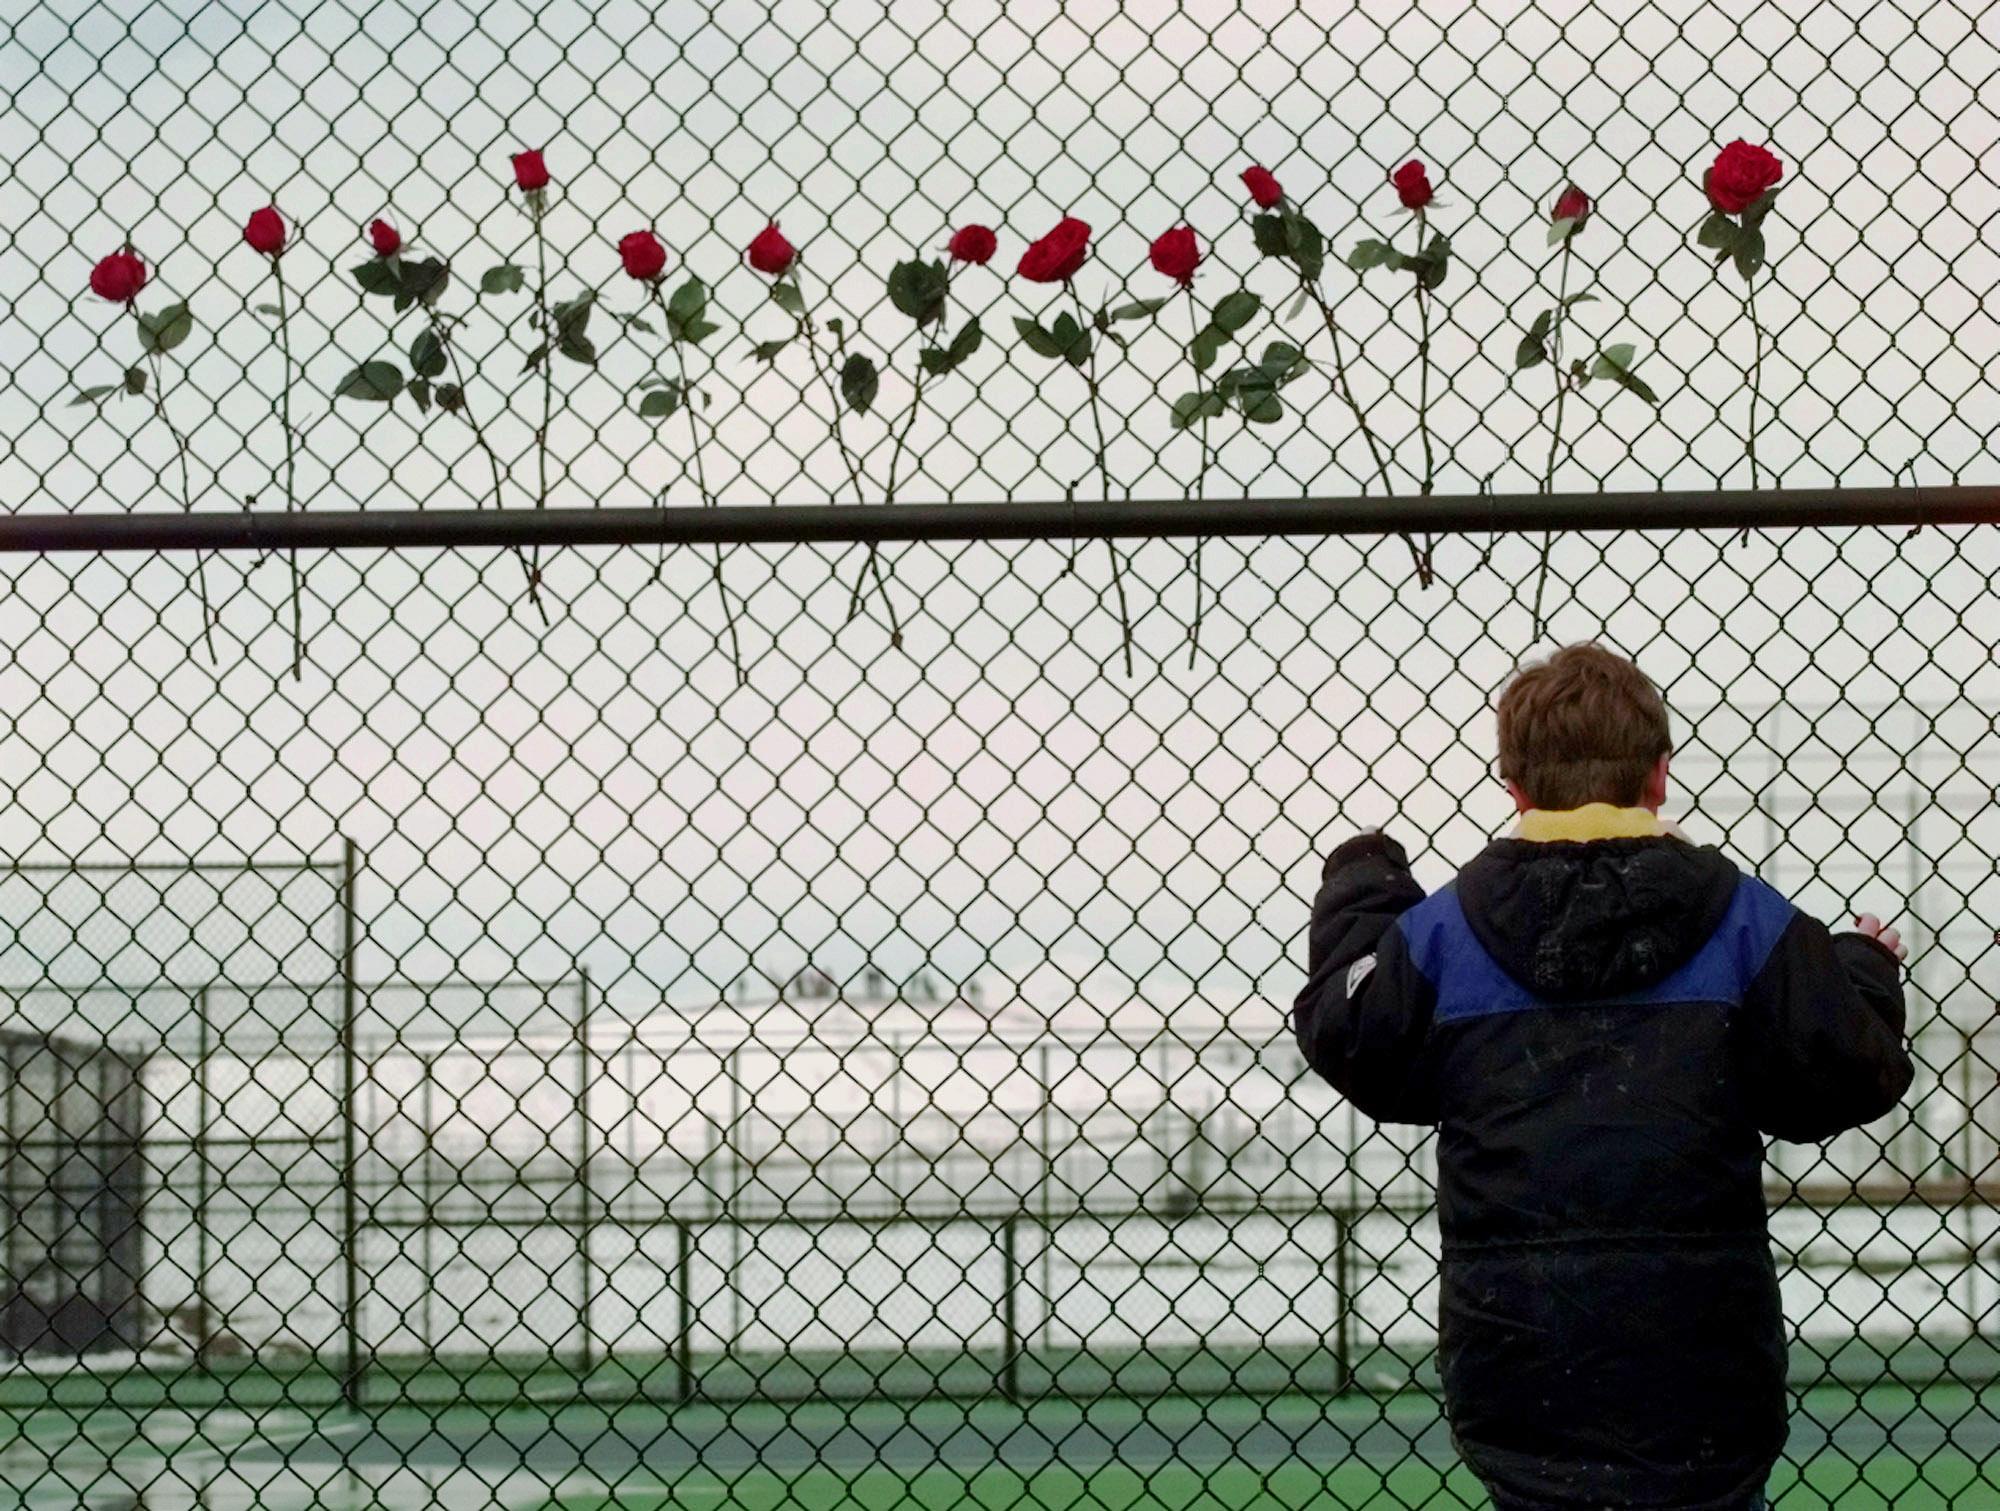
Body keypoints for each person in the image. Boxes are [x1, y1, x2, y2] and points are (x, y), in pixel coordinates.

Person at [1293, 642, 1911, 1511]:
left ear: (1513, 785)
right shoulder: (1744, 920)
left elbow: (1352, 1033)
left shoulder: (1447, 936)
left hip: (1521, 1366)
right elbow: (1849, 1071)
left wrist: (1363, 883)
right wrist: (1863, 971)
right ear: (1659, 776)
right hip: (1703, 1373)